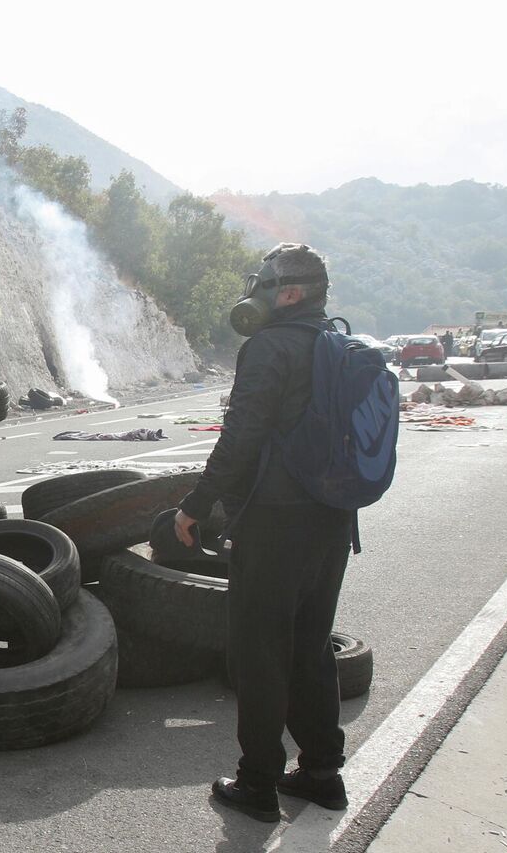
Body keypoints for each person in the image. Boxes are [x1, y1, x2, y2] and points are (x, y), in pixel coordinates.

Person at [173, 243, 358, 823]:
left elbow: (242, 436)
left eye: (266, 282)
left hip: (275, 525)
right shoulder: (341, 346)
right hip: (333, 521)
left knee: (259, 654)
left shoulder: (269, 347)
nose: (256, 291)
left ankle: (257, 784)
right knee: (310, 647)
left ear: (291, 293)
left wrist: (195, 506)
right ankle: (323, 773)